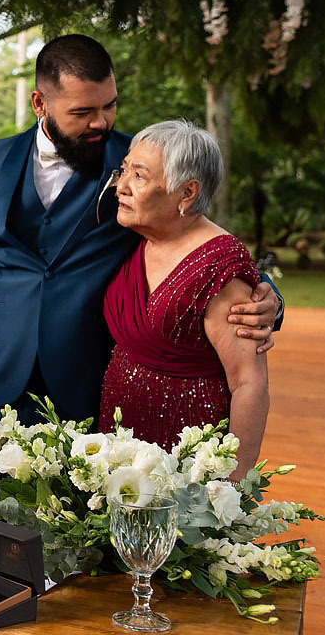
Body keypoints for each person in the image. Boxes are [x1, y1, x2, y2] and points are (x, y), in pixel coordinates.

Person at [0, 34, 279, 424]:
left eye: (110, 105)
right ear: (40, 103)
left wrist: (265, 295)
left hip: (89, 383)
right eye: (83, 111)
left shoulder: (137, 164)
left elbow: (192, 234)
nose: (100, 122)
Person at [100, 121, 267, 479]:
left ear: (187, 192)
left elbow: (249, 383)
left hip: (187, 453)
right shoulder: (138, 236)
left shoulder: (220, 265)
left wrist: (234, 483)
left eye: (139, 176)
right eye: (123, 170)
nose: (121, 186)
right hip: (118, 438)